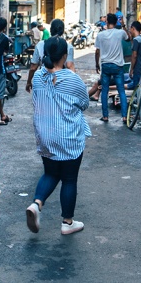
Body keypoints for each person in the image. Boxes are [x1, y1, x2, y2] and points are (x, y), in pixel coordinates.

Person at [26, 38, 91, 236]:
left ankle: (37, 203)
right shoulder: (72, 79)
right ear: (64, 56)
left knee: (51, 173)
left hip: (45, 135)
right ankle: (67, 222)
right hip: (68, 136)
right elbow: (84, 103)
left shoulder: (38, 77)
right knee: (69, 179)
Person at [94, 13, 130, 122]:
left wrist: (97, 64)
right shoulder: (120, 33)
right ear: (116, 22)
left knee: (104, 90)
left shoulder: (100, 35)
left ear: (107, 22)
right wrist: (123, 25)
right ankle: (124, 116)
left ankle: (105, 116)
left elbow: (97, 51)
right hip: (118, 66)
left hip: (105, 65)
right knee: (121, 91)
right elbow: (128, 38)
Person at [25, 18, 75, 94]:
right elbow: (69, 65)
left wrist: (29, 82)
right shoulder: (68, 46)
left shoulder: (40, 44)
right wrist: (74, 82)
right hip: (62, 82)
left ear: (51, 30)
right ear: (63, 30)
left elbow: (33, 68)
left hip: (43, 80)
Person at [127, 21, 141, 90]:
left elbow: (134, 56)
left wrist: (131, 69)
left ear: (133, 28)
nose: (130, 31)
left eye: (130, 29)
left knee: (136, 89)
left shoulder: (136, 40)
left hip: (137, 68)